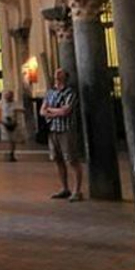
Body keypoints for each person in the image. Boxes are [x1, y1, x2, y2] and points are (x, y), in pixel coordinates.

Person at [40, 68, 84, 201]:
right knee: (57, 159)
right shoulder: (50, 92)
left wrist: (50, 110)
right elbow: (42, 111)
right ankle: (65, 188)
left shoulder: (70, 92)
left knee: (72, 160)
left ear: (66, 76)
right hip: (53, 129)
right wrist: (56, 111)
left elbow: (66, 111)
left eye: (61, 72)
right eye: (56, 72)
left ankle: (77, 190)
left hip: (66, 130)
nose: (57, 74)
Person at [0, 89, 21, 162]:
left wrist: (16, 119)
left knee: (12, 140)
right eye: (6, 95)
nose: (8, 97)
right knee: (6, 139)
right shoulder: (0, 103)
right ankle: (7, 153)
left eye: (10, 95)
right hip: (3, 123)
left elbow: (20, 111)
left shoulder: (15, 103)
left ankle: (12, 154)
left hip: (13, 123)